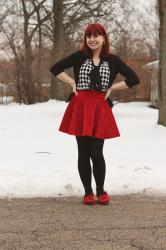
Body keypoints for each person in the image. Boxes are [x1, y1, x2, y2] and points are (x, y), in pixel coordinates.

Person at [50, 23, 140, 205]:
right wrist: (71, 83)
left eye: (95, 36)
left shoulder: (113, 60)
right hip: (80, 106)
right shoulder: (79, 56)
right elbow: (55, 69)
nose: (91, 39)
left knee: (96, 152)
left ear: (103, 38)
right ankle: (88, 192)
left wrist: (113, 87)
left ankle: (101, 190)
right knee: (83, 152)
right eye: (88, 36)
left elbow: (134, 79)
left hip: (100, 108)